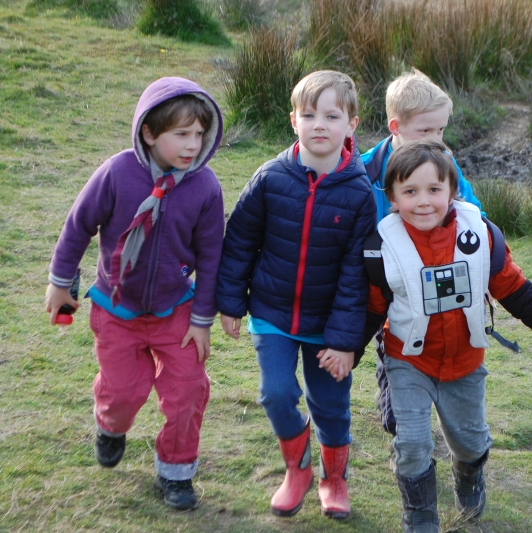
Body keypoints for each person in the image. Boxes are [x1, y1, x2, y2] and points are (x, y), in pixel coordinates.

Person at [44, 77, 225, 511]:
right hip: (117, 309)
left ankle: (176, 473)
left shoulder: (205, 187)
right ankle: (111, 424)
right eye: (181, 134)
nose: (192, 145)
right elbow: (78, 227)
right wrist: (59, 280)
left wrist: (202, 320)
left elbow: (212, 257)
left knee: (187, 391)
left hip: (175, 310)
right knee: (125, 392)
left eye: (199, 134)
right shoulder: (118, 173)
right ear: (149, 132)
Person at [358, 140, 532, 532]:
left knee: (471, 443)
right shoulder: (381, 248)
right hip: (407, 360)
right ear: (391, 197)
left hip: (464, 360)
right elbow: (373, 308)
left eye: (434, 190)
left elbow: (509, 285)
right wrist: (346, 350)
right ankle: (420, 514)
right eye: (410, 192)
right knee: (411, 444)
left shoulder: (481, 236)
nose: (423, 201)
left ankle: (469, 474)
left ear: (453, 192)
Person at [215, 70, 376, 520]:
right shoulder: (270, 177)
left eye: (331, 115)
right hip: (271, 312)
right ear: (293, 120)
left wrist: (345, 342)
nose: (319, 124)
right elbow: (240, 241)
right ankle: (298, 468)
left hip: (328, 325)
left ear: (351, 125)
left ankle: (334, 478)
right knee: (276, 393)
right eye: (309, 114)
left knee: (330, 405)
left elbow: (355, 274)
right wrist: (229, 303)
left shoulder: (360, 194)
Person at [361, 68, 482, 436]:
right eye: (426, 131)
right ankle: (400, 408)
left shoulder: (445, 164)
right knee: (394, 353)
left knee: (438, 343)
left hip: (437, 277)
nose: (437, 140)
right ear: (395, 126)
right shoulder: (365, 171)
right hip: (387, 284)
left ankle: (439, 407)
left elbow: (474, 215)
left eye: (441, 130)